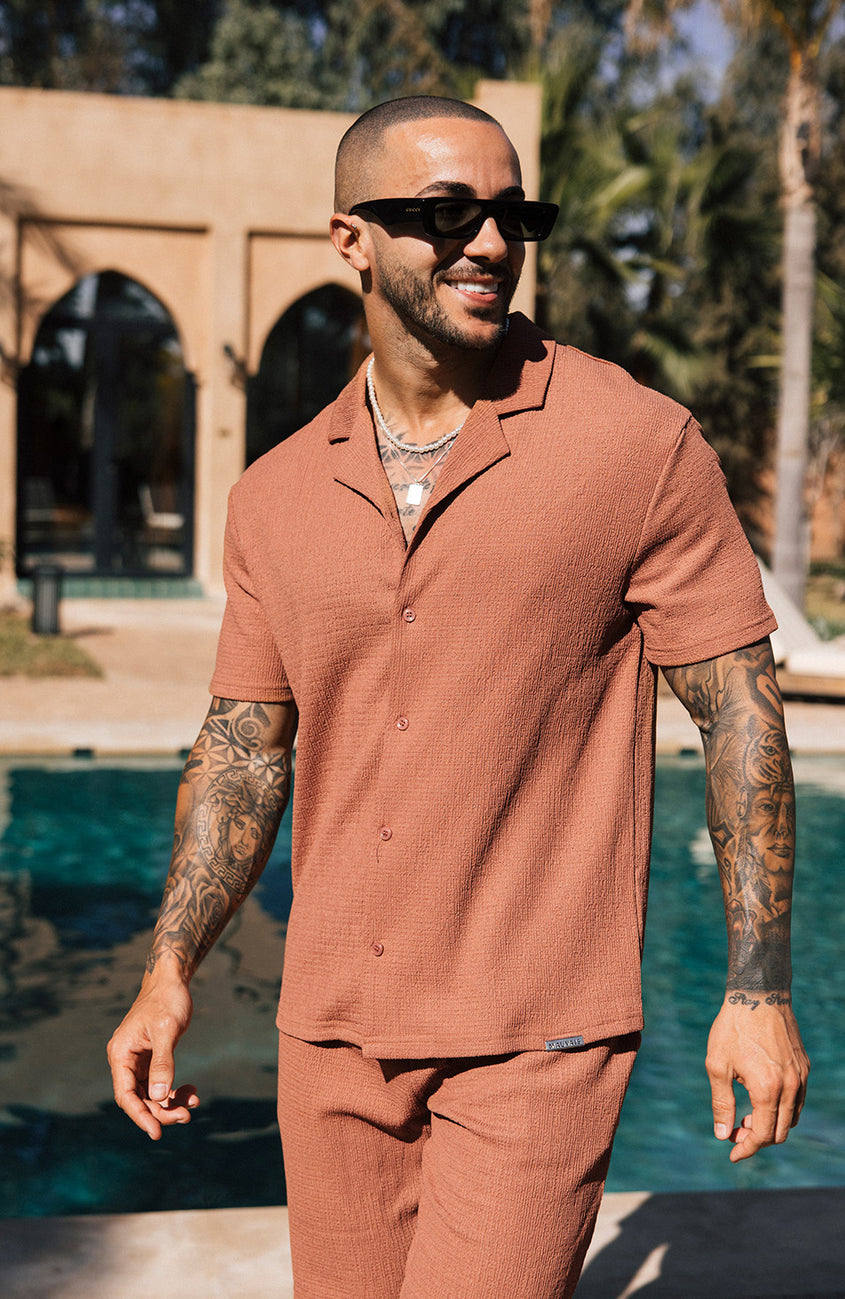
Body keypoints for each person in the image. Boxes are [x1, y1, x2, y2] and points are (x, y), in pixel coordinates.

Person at [108, 95, 809, 1298]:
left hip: (536, 1038)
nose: (487, 242)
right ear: (349, 238)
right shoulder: (274, 495)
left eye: (510, 215)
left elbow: (738, 713)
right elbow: (242, 751)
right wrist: (169, 968)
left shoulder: (634, 446)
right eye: (443, 214)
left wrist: (755, 988)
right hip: (330, 1036)